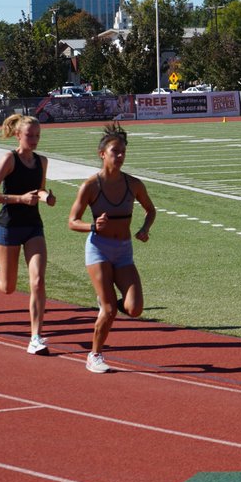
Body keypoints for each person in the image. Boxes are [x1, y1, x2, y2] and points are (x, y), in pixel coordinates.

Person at [67, 122, 156, 374]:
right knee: (108, 310)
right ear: (102, 154)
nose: (119, 156)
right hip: (99, 249)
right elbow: (72, 221)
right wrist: (92, 226)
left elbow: (151, 210)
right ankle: (94, 355)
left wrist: (145, 229)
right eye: (115, 151)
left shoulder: (133, 184)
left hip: (124, 249)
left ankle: (105, 301)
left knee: (134, 308)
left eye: (123, 152)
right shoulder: (91, 186)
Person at [0, 114, 55, 355]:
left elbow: (40, 188)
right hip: (9, 226)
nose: (35, 140)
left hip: (33, 226)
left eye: (37, 135)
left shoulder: (42, 161)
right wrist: (20, 199)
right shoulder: (9, 159)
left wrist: (46, 196)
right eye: (30, 135)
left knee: (38, 281)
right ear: (18, 135)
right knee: (8, 286)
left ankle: (36, 337)